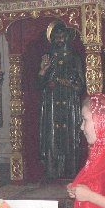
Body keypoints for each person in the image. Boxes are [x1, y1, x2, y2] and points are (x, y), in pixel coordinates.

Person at [38, 20, 86, 179]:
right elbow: (38, 85)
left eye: (62, 37)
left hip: (69, 103)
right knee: (52, 137)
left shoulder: (74, 58)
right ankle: (52, 172)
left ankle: (70, 172)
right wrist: (43, 72)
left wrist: (68, 83)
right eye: (56, 37)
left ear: (67, 38)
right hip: (51, 103)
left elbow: (81, 85)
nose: (59, 40)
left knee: (69, 137)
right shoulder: (48, 58)